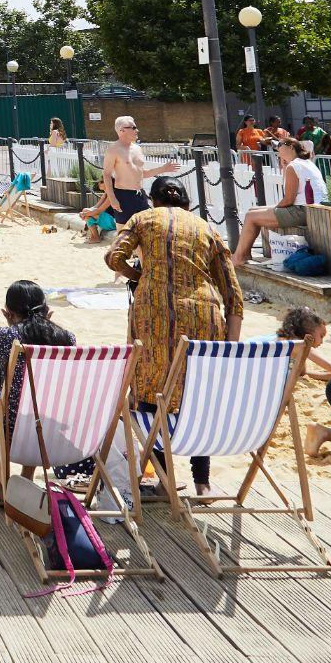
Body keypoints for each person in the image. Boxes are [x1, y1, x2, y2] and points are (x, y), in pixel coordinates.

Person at [105, 178, 241, 498]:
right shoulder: (207, 229)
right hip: (204, 317)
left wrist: (142, 276)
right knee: (197, 396)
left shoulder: (142, 219)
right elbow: (234, 297)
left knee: (150, 395)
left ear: (152, 201)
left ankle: (165, 480)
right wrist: (231, 351)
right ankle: (202, 482)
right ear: (188, 204)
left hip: (152, 316)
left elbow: (114, 258)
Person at [0, 278, 79, 474]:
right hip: (54, 434)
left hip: (12, 436)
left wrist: (10, 324)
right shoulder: (67, 339)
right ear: (46, 310)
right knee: (42, 404)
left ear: (7, 313)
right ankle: (26, 477)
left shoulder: (3, 336)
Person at [236, 138, 325, 264]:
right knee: (252, 211)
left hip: (303, 211)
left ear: (291, 147)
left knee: (251, 216)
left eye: (280, 145)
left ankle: (239, 257)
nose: (277, 149)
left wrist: (274, 209)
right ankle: (244, 254)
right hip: (311, 208)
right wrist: (284, 166)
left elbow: (289, 199)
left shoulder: (294, 166)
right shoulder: (306, 163)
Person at [93, 115, 164, 228]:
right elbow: (106, 174)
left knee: (147, 230)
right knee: (124, 233)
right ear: (122, 130)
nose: (137, 130)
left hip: (140, 194)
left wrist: (163, 169)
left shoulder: (137, 149)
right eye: (133, 127)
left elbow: (141, 173)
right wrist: (112, 198)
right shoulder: (113, 149)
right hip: (123, 195)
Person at [276, 306, 331, 382]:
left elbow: (302, 372)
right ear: (308, 332)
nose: (322, 342)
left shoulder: (290, 341)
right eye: (321, 336)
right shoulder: (300, 345)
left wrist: (329, 376)